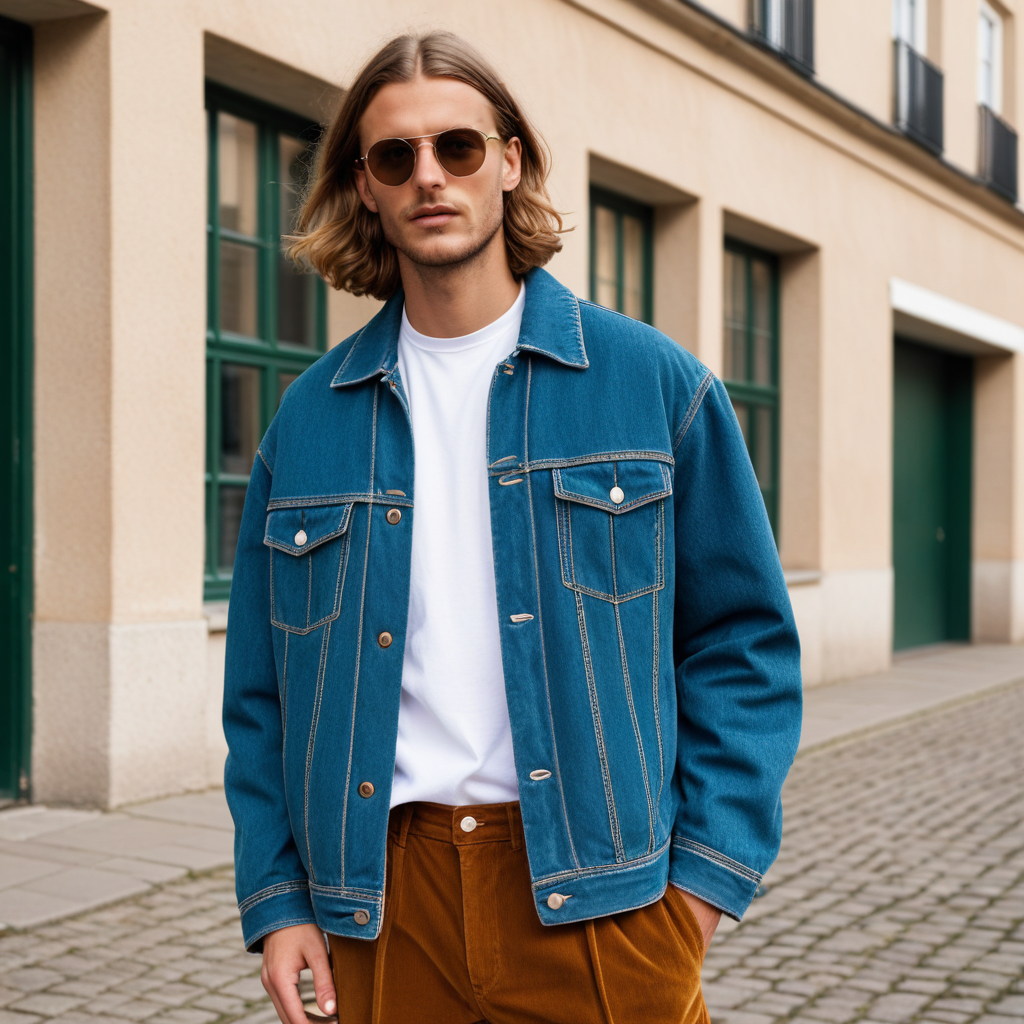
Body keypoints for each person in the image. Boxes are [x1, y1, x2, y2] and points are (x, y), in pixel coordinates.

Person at [223, 29, 802, 1024]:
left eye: (457, 146)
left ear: (509, 160)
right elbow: (261, 696)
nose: (429, 177)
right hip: (382, 906)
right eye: (394, 157)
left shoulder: (649, 383)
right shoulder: (310, 421)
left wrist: (695, 895)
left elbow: (744, 643)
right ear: (364, 185)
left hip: (598, 897)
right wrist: (278, 903)